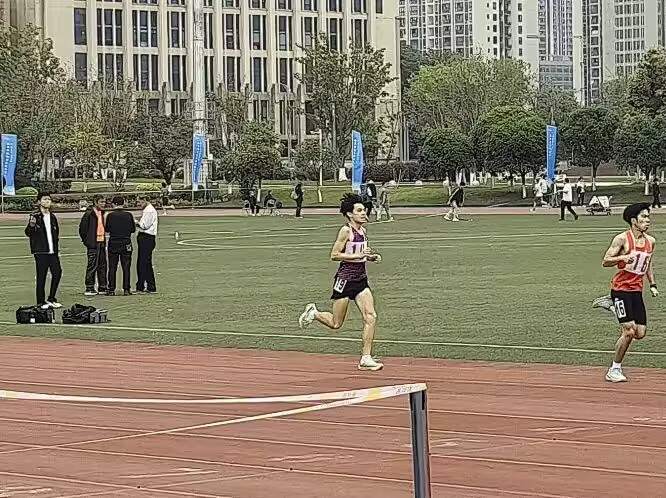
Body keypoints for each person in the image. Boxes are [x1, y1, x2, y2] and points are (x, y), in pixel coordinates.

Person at [298, 193, 384, 371]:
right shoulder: (346, 231)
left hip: (360, 279)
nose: (363, 213)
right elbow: (335, 255)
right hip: (344, 280)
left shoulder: (363, 231)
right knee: (336, 324)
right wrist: (358, 255)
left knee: (371, 316)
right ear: (350, 214)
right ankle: (314, 313)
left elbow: (360, 255)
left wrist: (371, 257)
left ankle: (366, 357)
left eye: (364, 210)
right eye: (359, 210)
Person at [599, 203, 658, 383]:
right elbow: (606, 261)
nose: (647, 220)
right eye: (643, 217)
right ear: (634, 221)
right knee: (629, 331)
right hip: (620, 289)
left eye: (648, 217)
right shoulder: (622, 239)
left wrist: (652, 284)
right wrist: (623, 257)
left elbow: (648, 264)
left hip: (636, 290)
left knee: (640, 333)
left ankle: (612, 306)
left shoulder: (650, 241)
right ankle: (614, 369)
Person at [25, 192, 63, 309]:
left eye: (49, 199)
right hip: (41, 251)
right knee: (41, 276)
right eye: (44, 199)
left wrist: (56, 248)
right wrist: (31, 226)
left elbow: (56, 233)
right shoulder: (35, 216)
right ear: (39, 202)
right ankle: (40, 301)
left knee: (57, 273)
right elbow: (28, 233)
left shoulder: (52, 217)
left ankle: (51, 298)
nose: (47, 201)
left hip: (53, 251)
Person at [105, 196, 135, 296]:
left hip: (114, 242)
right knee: (126, 267)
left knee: (112, 267)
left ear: (114, 204)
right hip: (126, 242)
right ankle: (126, 289)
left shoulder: (110, 216)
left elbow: (107, 229)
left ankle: (111, 289)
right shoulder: (129, 215)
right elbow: (132, 229)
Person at [78, 195, 108, 296]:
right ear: (95, 202)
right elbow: (82, 229)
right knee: (92, 266)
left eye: (104, 202)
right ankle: (89, 287)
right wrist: (87, 241)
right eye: (101, 202)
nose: (103, 204)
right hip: (93, 243)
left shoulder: (102, 213)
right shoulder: (89, 214)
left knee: (102, 265)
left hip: (101, 242)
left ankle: (102, 287)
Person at [135, 196, 158, 293]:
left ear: (144, 201)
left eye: (140, 202)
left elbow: (144, 226)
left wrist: (135, 222)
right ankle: (150, 285)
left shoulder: (149, 211)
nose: (138, 204)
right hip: (148, 238)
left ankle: (141, 285)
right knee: (146, 263)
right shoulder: (149, 210)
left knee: (142, 263)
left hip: (146, 237)